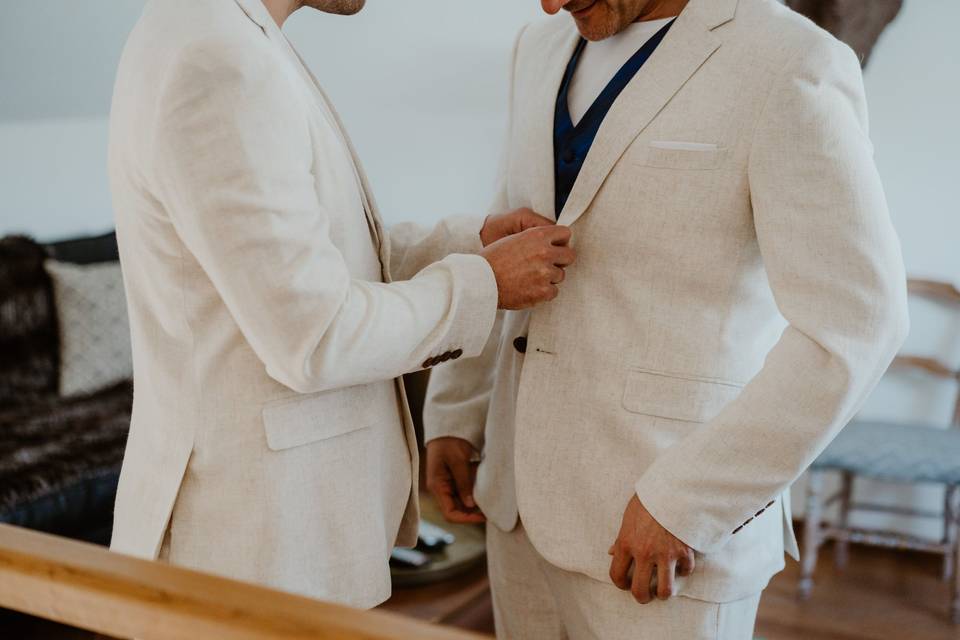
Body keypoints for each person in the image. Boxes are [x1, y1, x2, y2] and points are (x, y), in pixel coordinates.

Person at [424, 0, 909, 637]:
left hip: (664, 534)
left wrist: (689, 502)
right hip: (516, 509)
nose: (549, 4)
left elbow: (856, 323)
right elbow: (507, 239)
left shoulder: (791, 59)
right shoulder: (537, 48)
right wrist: (457, 411)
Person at [107, 0, 575, 608]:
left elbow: (311, 260)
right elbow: (316, 336)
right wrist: (485, 282)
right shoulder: (219, 58)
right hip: (255, 549)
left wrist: (469, 242)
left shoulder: (222, 33)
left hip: (275, 538)